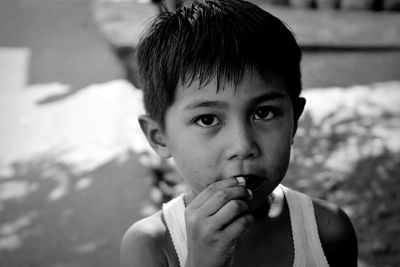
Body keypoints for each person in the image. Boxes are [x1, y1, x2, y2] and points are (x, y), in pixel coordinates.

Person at [121, 0, 358, 266]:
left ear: (295, 119)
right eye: (207, 119)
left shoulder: (328, 230)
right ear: (159, 137)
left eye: (264, 113)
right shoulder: (152, 245)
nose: (243, 145)